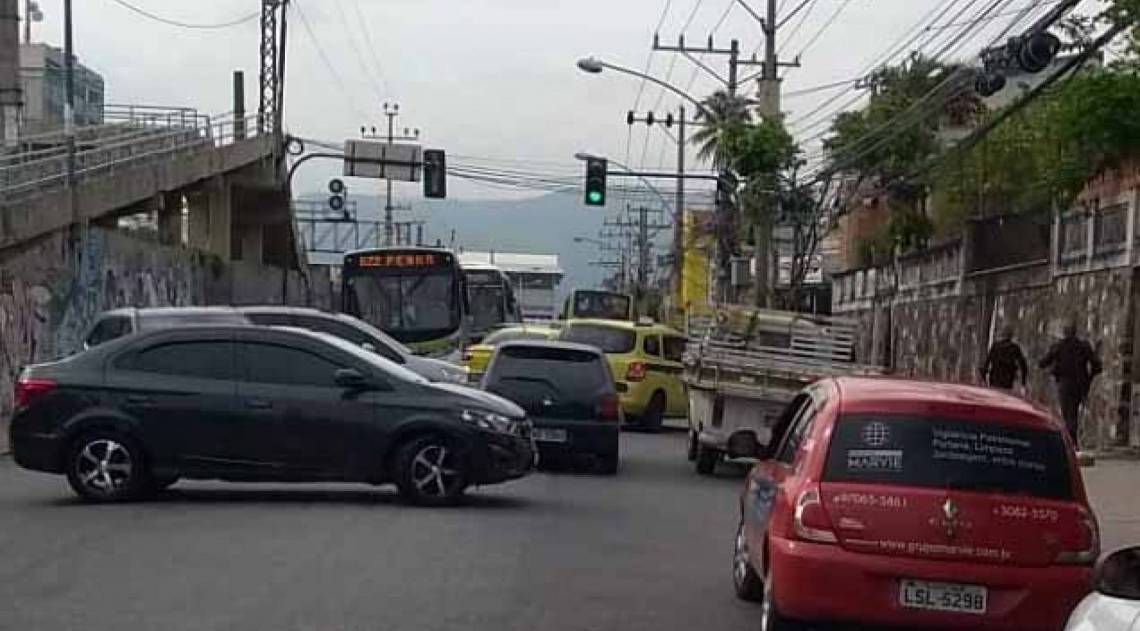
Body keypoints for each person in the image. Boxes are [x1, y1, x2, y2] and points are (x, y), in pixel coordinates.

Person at [1039, 322, 1102, 447]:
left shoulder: (1059, 346)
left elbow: (1043, 362)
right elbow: (1097, 365)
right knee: (1072, 412)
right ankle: (1071, 441)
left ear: (1064, 333)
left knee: (1068, 412)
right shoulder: (1083, 346)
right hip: (1079, 385)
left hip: (1064, 383)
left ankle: (1070, 442)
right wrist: (1089, 377)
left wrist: (1050, 367)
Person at [982, 326, 1028, 390]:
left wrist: (984, 376)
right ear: (1011, 336)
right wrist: (1023, 382)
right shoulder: (1014, 348)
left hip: (995, 376)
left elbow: (987, 361)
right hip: (1008, 378)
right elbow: (1023, 365)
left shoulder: (996, 346)